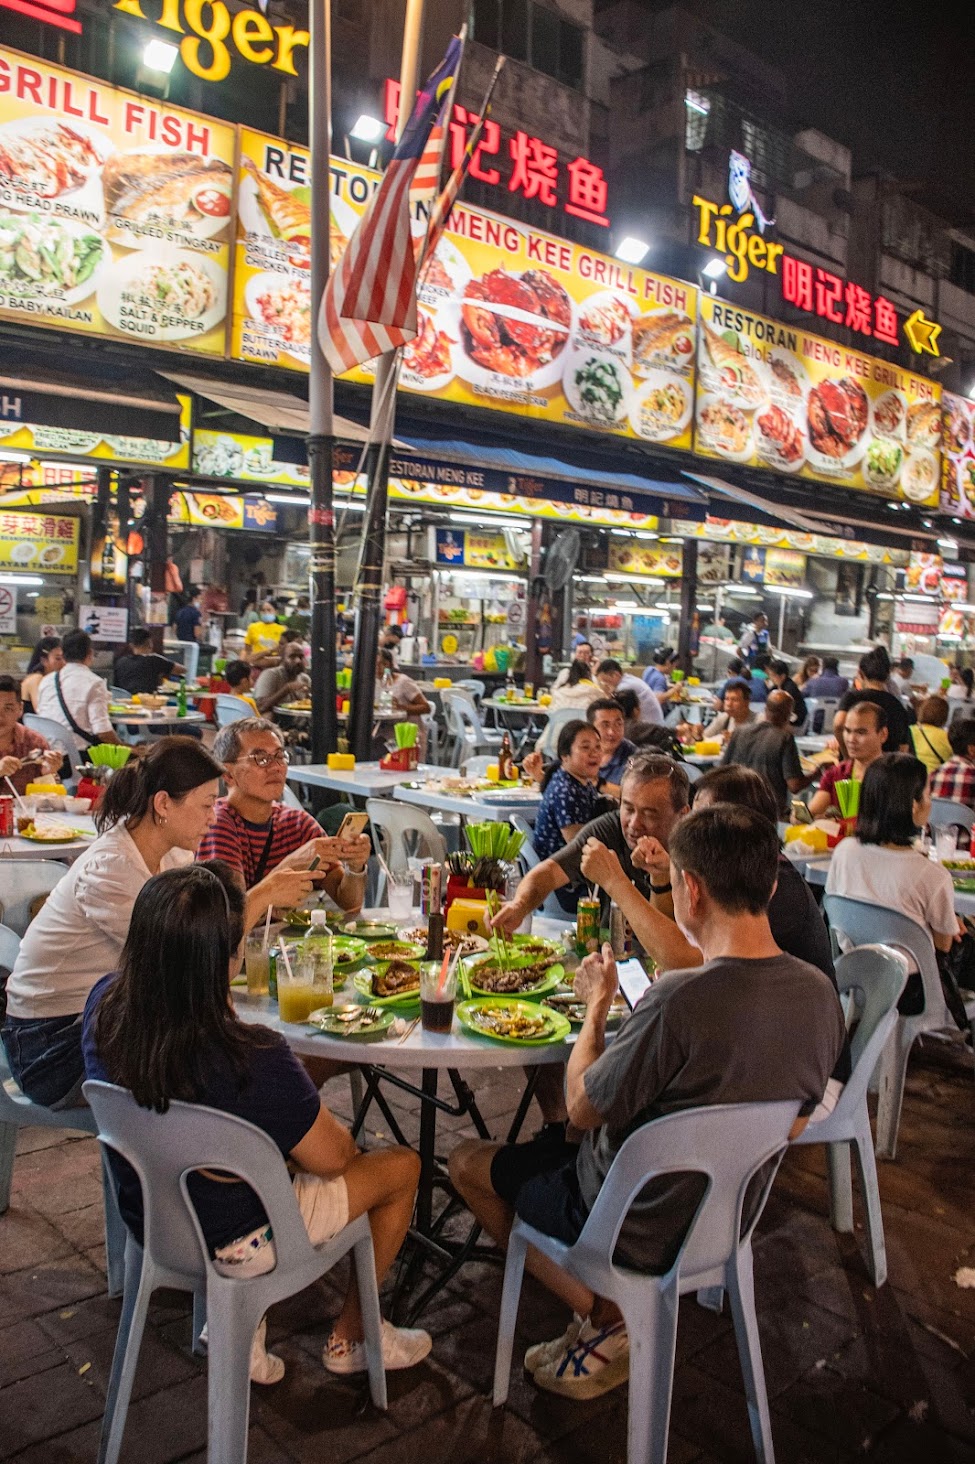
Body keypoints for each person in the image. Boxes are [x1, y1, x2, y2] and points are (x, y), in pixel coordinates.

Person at [451, 804, 844, 1399]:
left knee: (468, 1164)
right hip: (729, 1216)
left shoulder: (678, 998)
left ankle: (604, 1312)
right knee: (554, 1142)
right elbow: (790, 1127)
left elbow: (581, 1109)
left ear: (689, 887)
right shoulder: (820, 996)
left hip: (627, 1220)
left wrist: (594, 1007)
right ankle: (608, 1311)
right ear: (770, 882)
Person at [83, 862, 431, 1385]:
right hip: (239, 1239)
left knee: (264, 1148)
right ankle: (353, 1336)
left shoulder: (102, 1005)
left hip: (154, 1216)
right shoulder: (249, 1055)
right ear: (224, 961)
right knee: (401, 1167)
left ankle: (241, 1330)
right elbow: (335, 1160)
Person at [1, 739, 311, 1110]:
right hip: (51, 1047)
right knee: (227, 1064)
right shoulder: (112, 871)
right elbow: (199, 969)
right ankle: (227, 1159)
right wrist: (261, 897)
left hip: (107, 1020)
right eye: (206, 806)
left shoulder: (173, 856)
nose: (212, 819)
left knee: (236, 1055)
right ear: (163, 804)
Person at [494, 754, 690, 933]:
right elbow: (549, 873)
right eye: (628, 808)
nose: (634, 823)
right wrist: (518, 906)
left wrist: (659, 874)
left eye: (649, 814)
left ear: (683, 814)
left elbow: (673, 946)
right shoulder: (609, 830)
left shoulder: (696, 852)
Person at [197, 719, 370, 923]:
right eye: (261, 758)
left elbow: (349, 903)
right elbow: (229, 919)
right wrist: (292, 864)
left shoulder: (297, 823)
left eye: (280, 756)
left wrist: (355, 867)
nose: (276, 767)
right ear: (228, 774)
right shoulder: (217, 822)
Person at [826, 754, 960, 1010]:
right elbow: (943, 945)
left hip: (850, 980)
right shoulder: (932, 875)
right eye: (928, 795)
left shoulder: (844, 851)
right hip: (909, 992)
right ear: (913, 806)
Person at [531, 721, 603, 898]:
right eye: (585, 747)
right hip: (562, 885)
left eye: (598, 747)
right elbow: (576, 845)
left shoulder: (579, 782)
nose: (594, 753)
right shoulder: (566, 791)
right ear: (565, 755)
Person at [722, 688, 810, 817]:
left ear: (765, 710)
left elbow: (723, 770)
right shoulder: (784, 738)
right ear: (787, 715)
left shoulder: (739, 731)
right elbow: (794, 785)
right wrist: (819, 771)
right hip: (768, 811)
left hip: (735, 807)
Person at [36, 629, 122, 750]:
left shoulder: (46, 681)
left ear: (63, 655)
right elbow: (103, 732)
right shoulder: (94, 683)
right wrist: (128, 747)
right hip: (78, 757)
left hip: (47, 754)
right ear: (90, 654)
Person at [809, 701, 888, 818]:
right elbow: (811, 813)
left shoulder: (895, 777)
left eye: (861, 732)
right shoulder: (835, 774)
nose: (851, 739)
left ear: (883, 734)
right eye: (847, 731)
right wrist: (800, 817)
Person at [834, 648, 914, 756]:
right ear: (887, 676)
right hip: (885, 769)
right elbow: (903, 748)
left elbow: (838, 724)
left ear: (861, 674)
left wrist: (846, 756)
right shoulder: (898, 706)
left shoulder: (852, 698)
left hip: (858, 768)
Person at [0, 676, 62, 793]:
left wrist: (48, 773)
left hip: (25, 810)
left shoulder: (35, 743)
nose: (0, 716)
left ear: (20, 709)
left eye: (8, 708)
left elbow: (48, 798)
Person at [374, 650, 431, 753]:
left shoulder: (403, 682)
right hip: (384, 733)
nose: (378, 668)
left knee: (374, 750)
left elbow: (426, 707)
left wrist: (401, 707)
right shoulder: (373, 682)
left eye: (383, 664)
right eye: (374, 665)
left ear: (390, 665)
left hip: (406, 735)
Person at [586, 698, 635, 797]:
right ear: (590, 728)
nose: (612, 732)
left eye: (618, 724)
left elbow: (634, 795)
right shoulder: (580, 750)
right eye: (605, 725)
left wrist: (597, 783)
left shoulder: (633, 758)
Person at [113, 629, 183, 695]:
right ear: (150, 644)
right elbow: (182, 670)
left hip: (124, 702)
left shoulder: (121, 661)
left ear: (131, 645)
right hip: (147, 702)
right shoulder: (154, 660)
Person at [594, 658, 662, 725]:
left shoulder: (624, 687)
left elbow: (612, 708)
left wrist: (607, 692)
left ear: (615, 675)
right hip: (651, 724)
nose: (605, 685)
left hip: (648, 726)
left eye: (605, 681)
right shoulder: (628, 680)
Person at [254, 640, 310, 714]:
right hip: (278, 722)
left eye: (301, 657)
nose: (298, 661)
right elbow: (260, 707)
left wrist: (309, 695)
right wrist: (287, 689)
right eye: (292, 656)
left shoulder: (304, 679)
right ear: (283, 659)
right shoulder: (271, 675)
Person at [932, 718, 975, 808]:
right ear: (971, 750)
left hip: (937, 821)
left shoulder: (933, 774)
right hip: (965, 821)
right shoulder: (972, 774)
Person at [910, 695, 952, 775]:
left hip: (911, 777)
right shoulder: (947, 736)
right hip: (936, 779)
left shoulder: (910, 730)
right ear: (944, 716)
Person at [20, 637, 64, 711]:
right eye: (58, 658)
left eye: (64, 658)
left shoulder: (51, 680)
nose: (63, 663)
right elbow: (41, 710)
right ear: (44, 660)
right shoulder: (36, 679)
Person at [766, 658, 808, 727]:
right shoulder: (774, 688)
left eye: (773, 675)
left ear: (782, 676)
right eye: (770, 675)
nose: (771, 678)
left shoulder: (790, 689)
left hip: (794, 722)